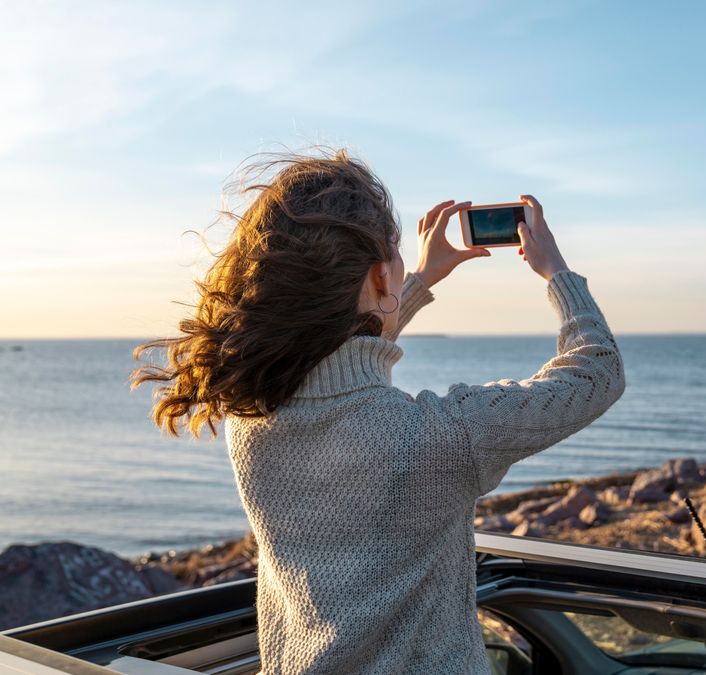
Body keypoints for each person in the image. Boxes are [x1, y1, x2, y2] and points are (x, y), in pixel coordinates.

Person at [132, 149, 625, 674]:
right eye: (395, 257)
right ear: (379, 278)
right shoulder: (438, 437)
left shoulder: (251, 417)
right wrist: (556, 270)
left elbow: (331, 367)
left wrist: (416, 280)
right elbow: (597, 372)